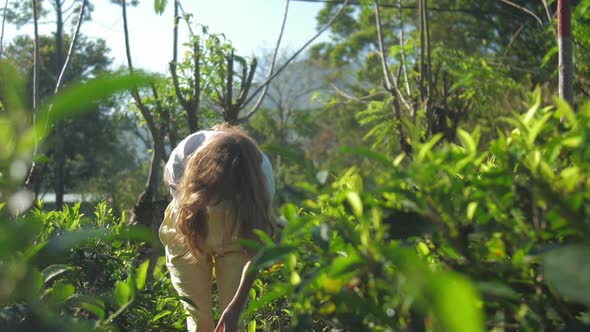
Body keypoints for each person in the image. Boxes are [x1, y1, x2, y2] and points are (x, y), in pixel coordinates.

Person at [159, 124, 275, 332]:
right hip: (190, 222)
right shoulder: (183, 158)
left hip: (238, 230)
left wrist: (235, 308)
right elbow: (183, 208)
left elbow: (256, 250)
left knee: (234, 324)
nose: (214, 203)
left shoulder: (260, 177)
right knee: (199, 321)